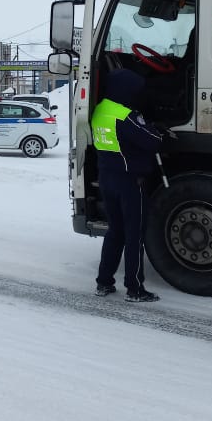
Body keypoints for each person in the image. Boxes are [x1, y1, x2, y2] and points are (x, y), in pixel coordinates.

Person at [90, 68, 163, 302]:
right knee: (134, 235)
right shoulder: (126, 115)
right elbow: (152, 141)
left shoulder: (100, 110)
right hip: (130, 182)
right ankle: (135, 288)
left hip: (107, 179)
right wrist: (156, 129)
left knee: (115, 232)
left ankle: (104, 282)